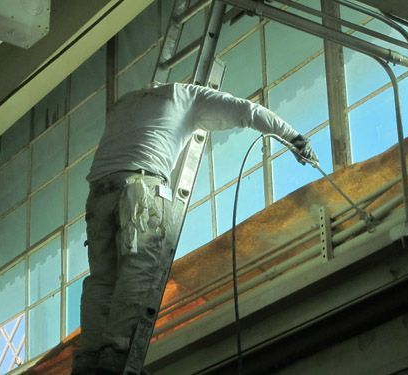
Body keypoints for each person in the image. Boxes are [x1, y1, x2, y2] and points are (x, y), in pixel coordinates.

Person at [71, 82, 317, 374]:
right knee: (137, 270)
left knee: (102, 280)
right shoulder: (186, 95)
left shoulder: (126, 101)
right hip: (141, 189)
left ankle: (87, 361)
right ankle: (117, 355)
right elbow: (248, 112)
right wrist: (294, 138)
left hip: (99, 193)